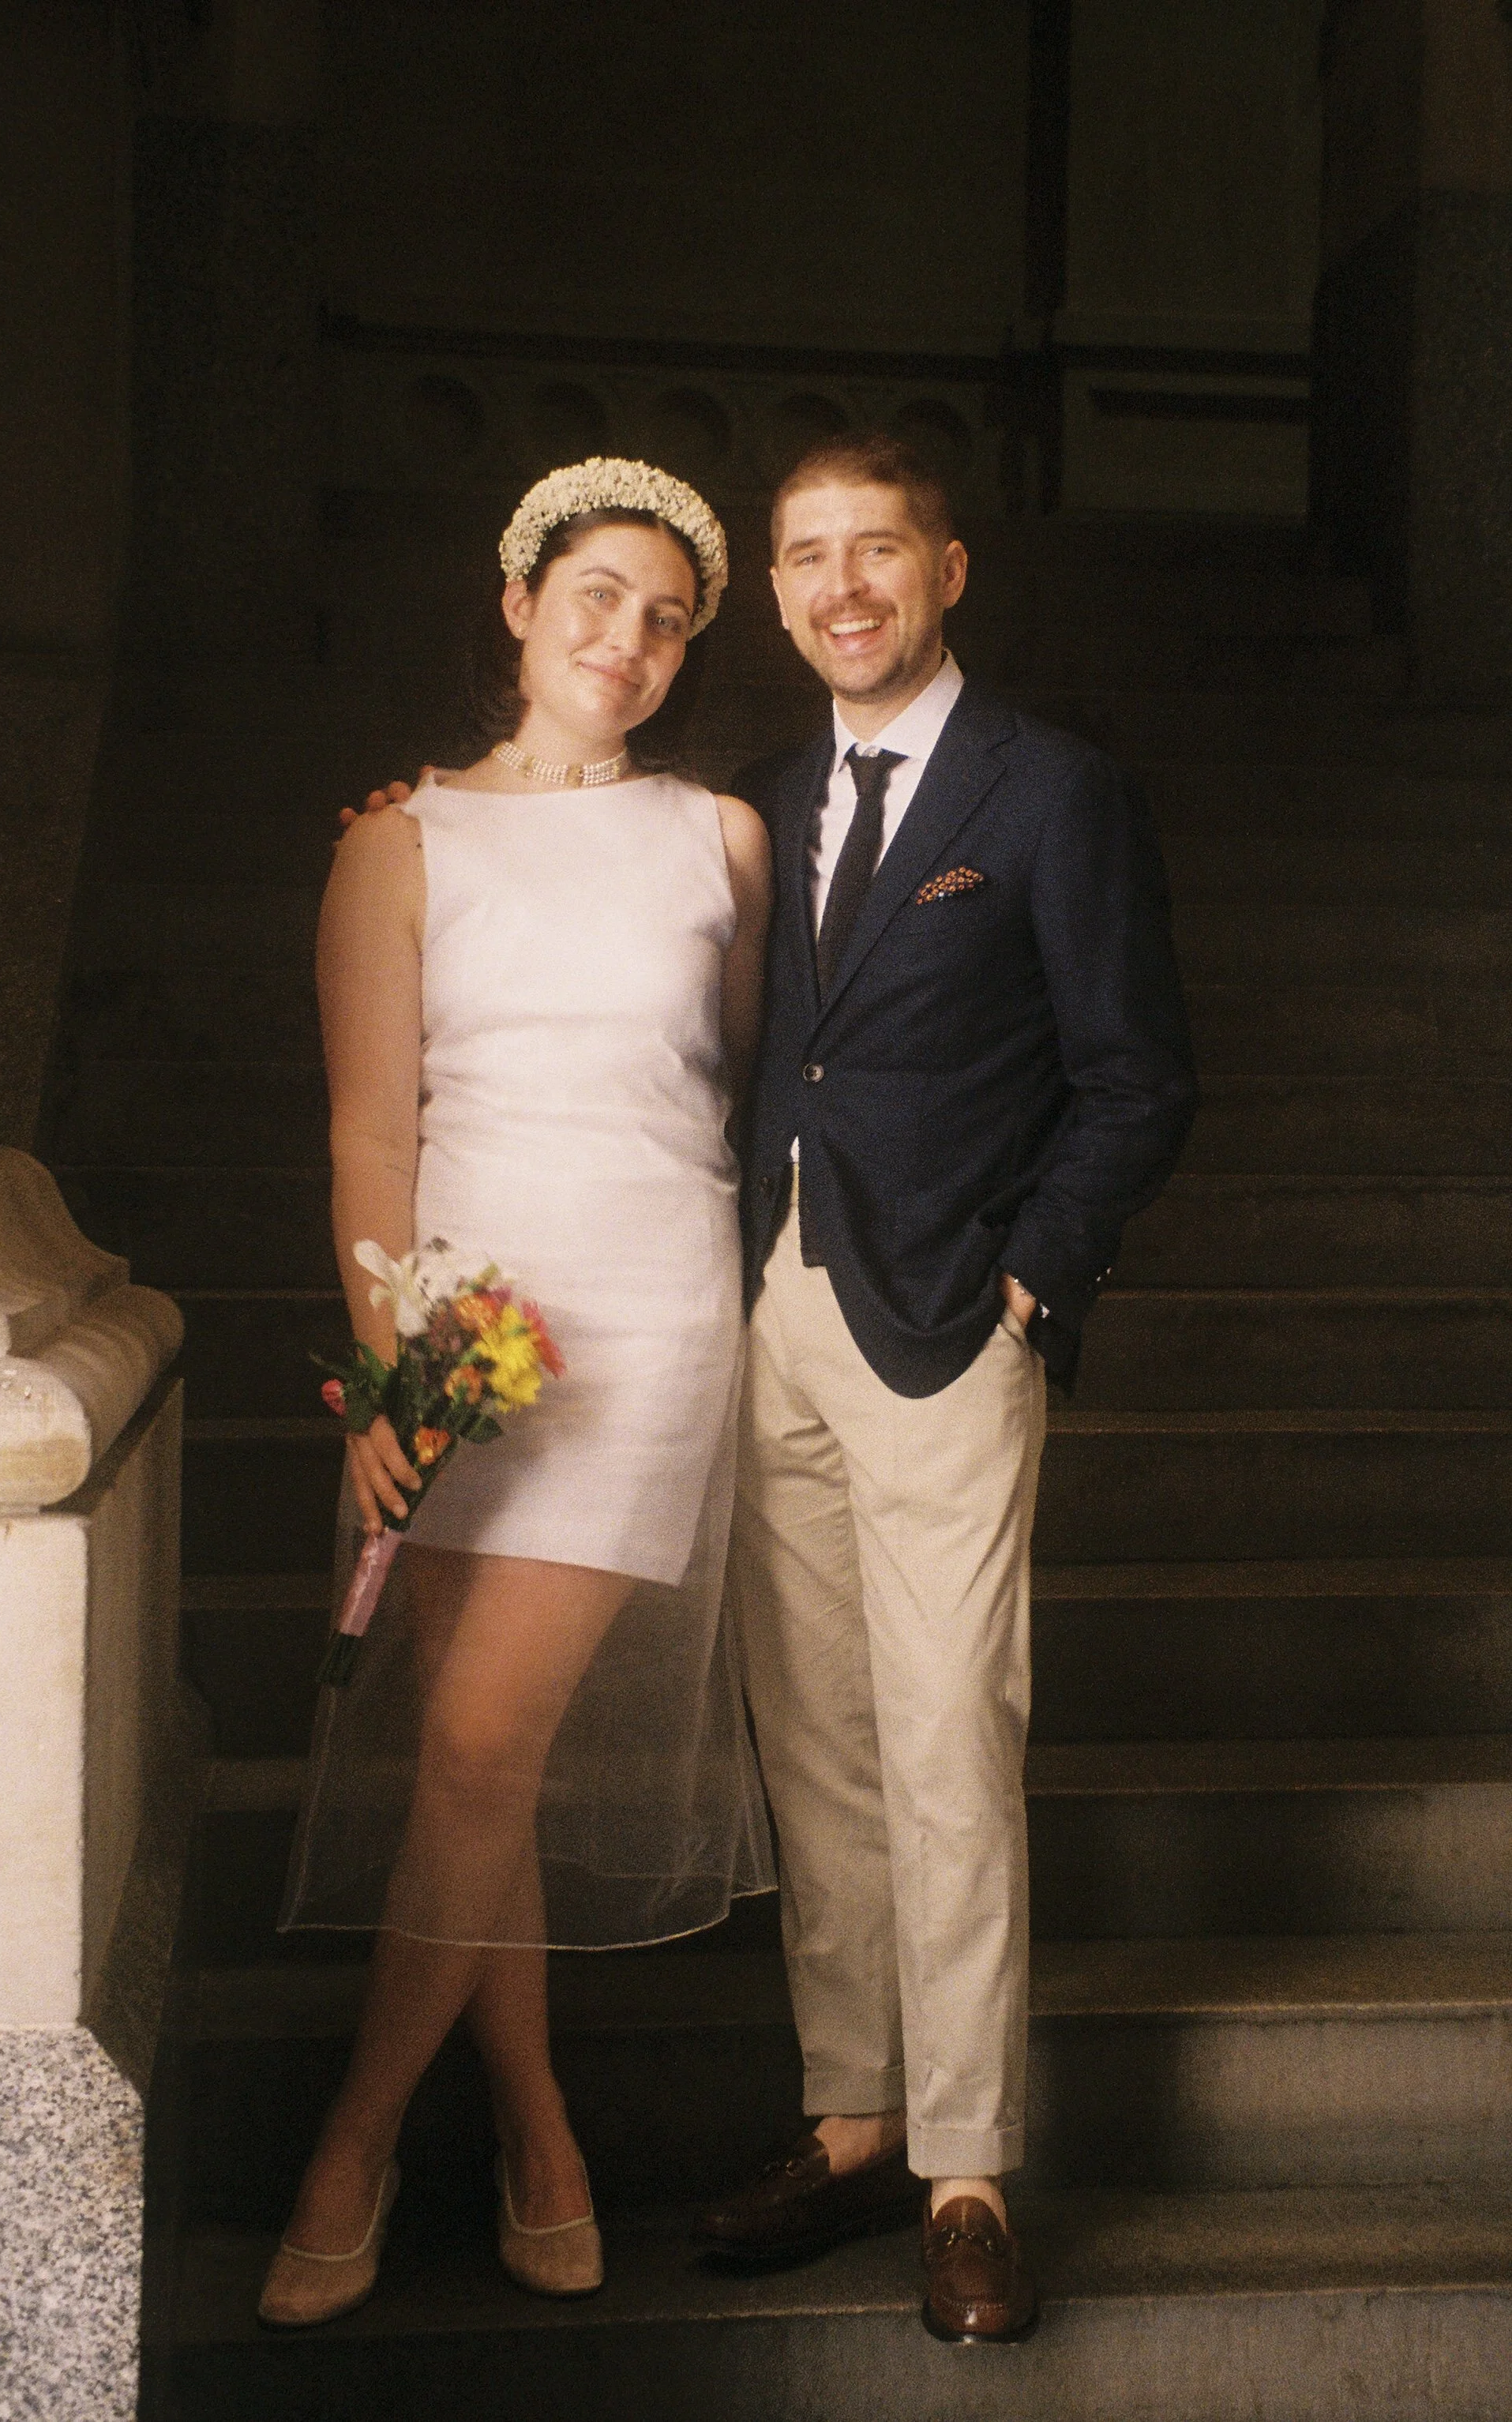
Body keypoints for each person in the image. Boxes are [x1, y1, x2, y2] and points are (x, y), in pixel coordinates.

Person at [258, 458, 775, 2330]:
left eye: (665, 618)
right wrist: (391, 1362)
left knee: (478, 1752)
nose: (626, 640)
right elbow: (366, 1126)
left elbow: (742, 1087)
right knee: (486, 1772)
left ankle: (356, 2139)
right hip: (464, 1335)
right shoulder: (399, 842)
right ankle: (539, 2128)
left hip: (644, 1327)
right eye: (597, 599)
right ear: (519, 604)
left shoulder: (719, 837)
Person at [690, 434, 1198, 2342]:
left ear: (949, 569)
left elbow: (1139, 1075)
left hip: (946, 1331)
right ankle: (850, 2121)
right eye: (808, 557)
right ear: (778, 587)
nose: (843, 587)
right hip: (770, 1316)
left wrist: (1028, 1280)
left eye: (876, 550)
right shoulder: (753, 801)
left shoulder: (1051, 790)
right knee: (815, 1746)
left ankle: (968, 2170)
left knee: (946, 1744)